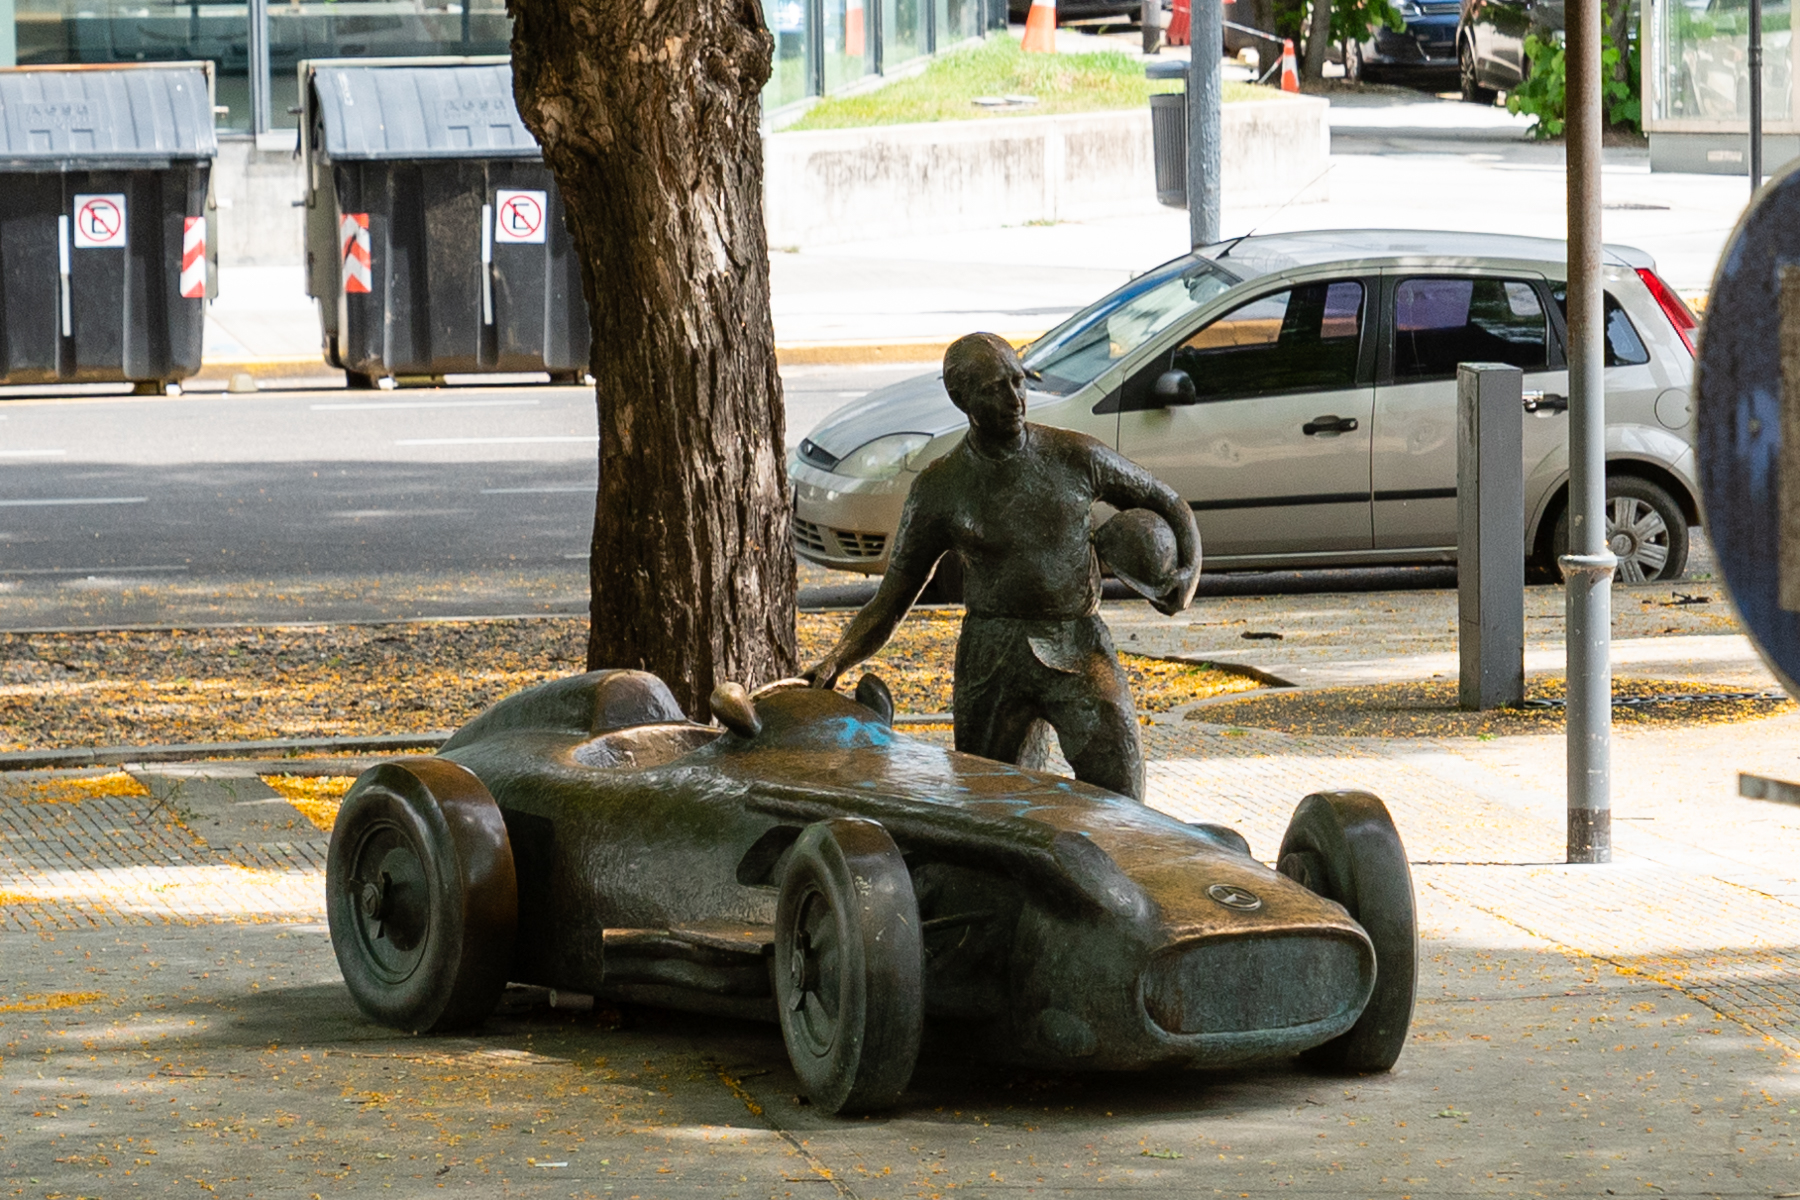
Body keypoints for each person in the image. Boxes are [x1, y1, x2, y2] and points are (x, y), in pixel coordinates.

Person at [805, 332, 1201, 801]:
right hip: (991, 655)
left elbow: (1168, 501)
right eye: (995, 388)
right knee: (987, 800)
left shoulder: (1076, 456)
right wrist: (838, 658)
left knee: (1121, 790)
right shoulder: (941, 488)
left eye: (1018, 382)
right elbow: (893, 595)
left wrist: (1186, 574)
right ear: (962, 399)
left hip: (1077, 642)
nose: (1015, 400)